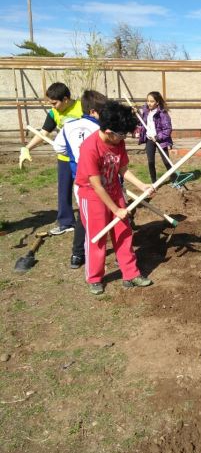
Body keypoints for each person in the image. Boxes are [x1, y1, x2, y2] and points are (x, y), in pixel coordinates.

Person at [74, 100, 155, 295]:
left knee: (123, 232)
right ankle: (94, 277)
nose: (123, 138)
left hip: (114, 190)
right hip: (92, 195)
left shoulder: (118, 143)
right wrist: (116, 209)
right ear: (109, 131)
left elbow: (123, 169)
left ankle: (131, 274)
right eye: (121, 134)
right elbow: (96, 185)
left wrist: (142, 185)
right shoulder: (90, 148)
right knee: (97, 237)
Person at [19, 82, 83, 235]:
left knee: (89, 188)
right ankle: (66, 222)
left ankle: (95, 217)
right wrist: (27, 148)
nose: (53, 106)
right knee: (63, 189)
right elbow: (43, 133)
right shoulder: (54, 113)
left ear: (66, 99)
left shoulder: (83, 107)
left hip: (83, 157)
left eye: (55, 103)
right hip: (65, 157)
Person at [53, 90, 107, 269]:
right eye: (102, 110)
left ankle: (77, 254)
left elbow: (58, 147)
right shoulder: (100, 128)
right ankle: (85, 250)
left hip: (80, 180)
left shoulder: (69, 126)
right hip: (100, 179)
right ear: (93, 111)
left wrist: (74, 158)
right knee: (102, 212)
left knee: (84, 216)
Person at [138, 91, 173, 183]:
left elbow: (167, 129)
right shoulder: (146, 111)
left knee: (166, 161)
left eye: (152, 101)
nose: (149, 103)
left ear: (157, 102)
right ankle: (154, 182)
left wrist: (158, 137)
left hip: (161, 140)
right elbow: (141, 122)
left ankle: (174, 179)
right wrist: (136, 113)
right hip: (149, 140)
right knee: (150, 162)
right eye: (148, 101)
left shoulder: (162, 114)